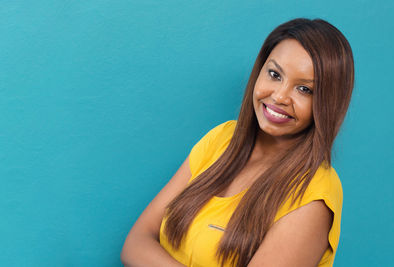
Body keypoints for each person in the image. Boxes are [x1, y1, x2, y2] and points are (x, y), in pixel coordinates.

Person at [121, 17, 354, 267]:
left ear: (327, 104)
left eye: (305, 89)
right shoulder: (222, 138)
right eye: (275, 74)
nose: (279, 96)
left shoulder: (314, 195)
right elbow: (135, 243)